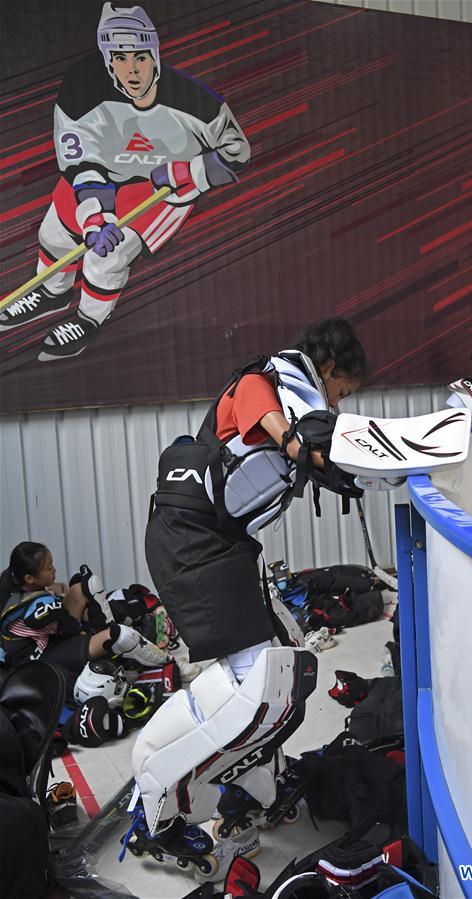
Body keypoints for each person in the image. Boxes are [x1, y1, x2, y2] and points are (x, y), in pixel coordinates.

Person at [132, 318, 405, 853]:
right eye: (344, 390)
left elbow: (326, 456)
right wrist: (291, 439)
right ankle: (155, 789)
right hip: (193, 544)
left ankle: (252, 784)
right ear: (329, 370)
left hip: (221, 545)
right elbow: (256, 399)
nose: (342, 401)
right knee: (256, 678)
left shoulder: (299, 404)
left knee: (290, 668)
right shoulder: (273, 378)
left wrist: (385, 467)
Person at [0, 3, 250, 361]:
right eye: (119, 57)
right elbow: (78, 160)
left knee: (107, 257)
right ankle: (52, 293)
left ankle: (88, 318)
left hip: (160, 191)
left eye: (140, 57)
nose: (132, 70)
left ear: (155, 54)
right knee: (55, 232)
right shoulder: (81, 90)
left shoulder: (197, 103)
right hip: (100, 178)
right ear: (107, 59)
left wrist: (191, 172)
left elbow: (237, 151)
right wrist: (95, 217)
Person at [0, 541, 173, 692]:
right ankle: (167, 662)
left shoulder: (24, 589)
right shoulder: (29, 607)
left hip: (52, 639)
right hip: (40, 661)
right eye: (48, 567)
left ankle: (115, 637)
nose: (54, 570)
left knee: (80, 589)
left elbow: (64, 618)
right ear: (30, 578)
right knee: (117, 636)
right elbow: (66, 626)